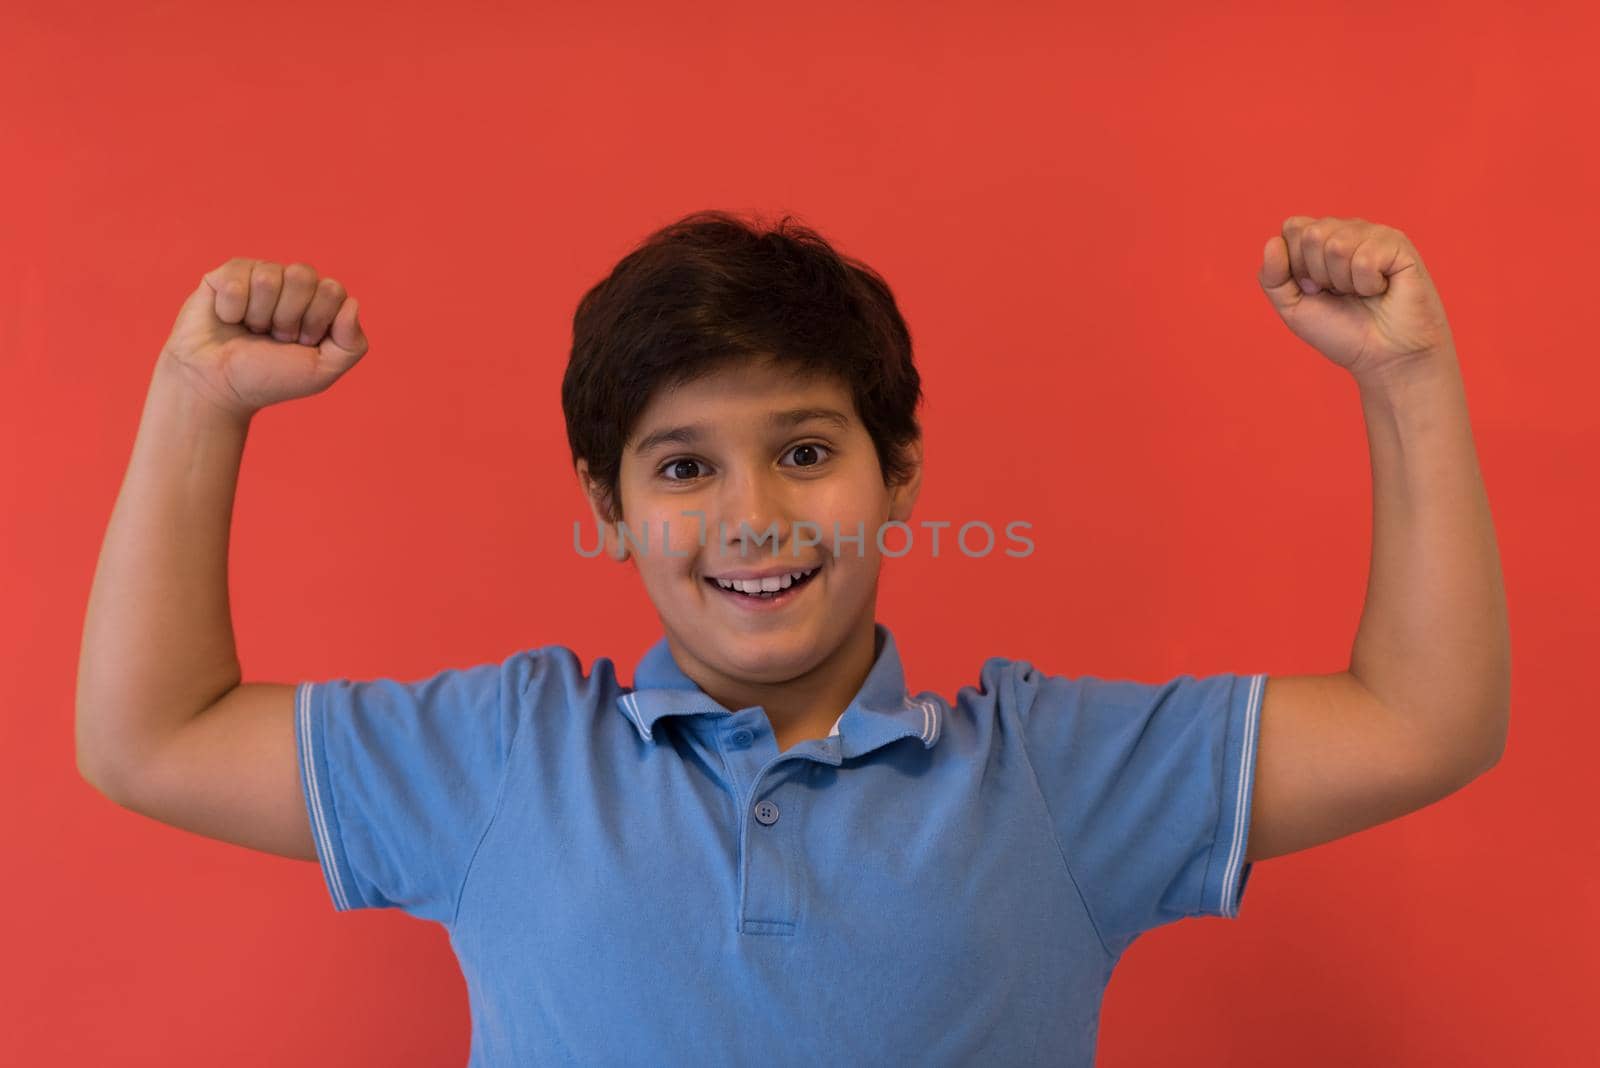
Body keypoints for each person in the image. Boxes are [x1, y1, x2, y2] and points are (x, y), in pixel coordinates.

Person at [75, 210, 1511, 1066]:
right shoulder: (502, 758)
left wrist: (1408, 377)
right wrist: (201, 405)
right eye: (683, 468)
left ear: (901, 473)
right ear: (610, 504)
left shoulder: (1056, 778)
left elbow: (1422, 719)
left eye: (807, 451)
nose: (753, 514)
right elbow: (154, 737)